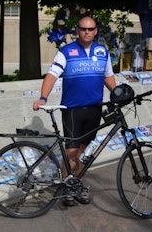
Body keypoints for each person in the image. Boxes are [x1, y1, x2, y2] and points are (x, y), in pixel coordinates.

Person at [32, 16, 116, 206]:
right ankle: (66, 189)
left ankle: (77, 185)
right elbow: (52, 75)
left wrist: (117, 94)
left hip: (94, 108)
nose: (87, 32)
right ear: (77, 30)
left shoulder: (103, 51)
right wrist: (43, 98)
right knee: (71, 152)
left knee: (84, 152)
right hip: (72, 110)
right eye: (83, 29)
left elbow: (108, 76)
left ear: (95, 31)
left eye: (90, 29)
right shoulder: (66, 52)